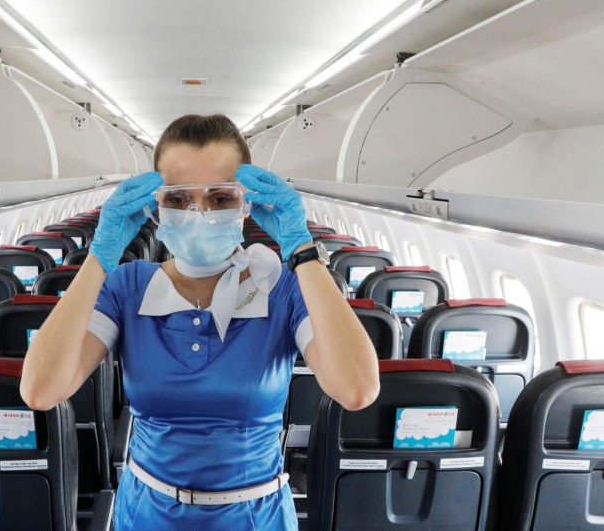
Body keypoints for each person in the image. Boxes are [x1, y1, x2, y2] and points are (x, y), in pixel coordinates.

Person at [20, 113, 380, 529]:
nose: (199, 213)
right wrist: (99, 257)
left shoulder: (281, 288)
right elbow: (40, 391)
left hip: (254, 517)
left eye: (220, 198)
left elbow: (356, 389)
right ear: (155, 206)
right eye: (177, 199)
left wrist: (301, 249)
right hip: (147, 514)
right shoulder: (128, 287)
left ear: (246, 203)